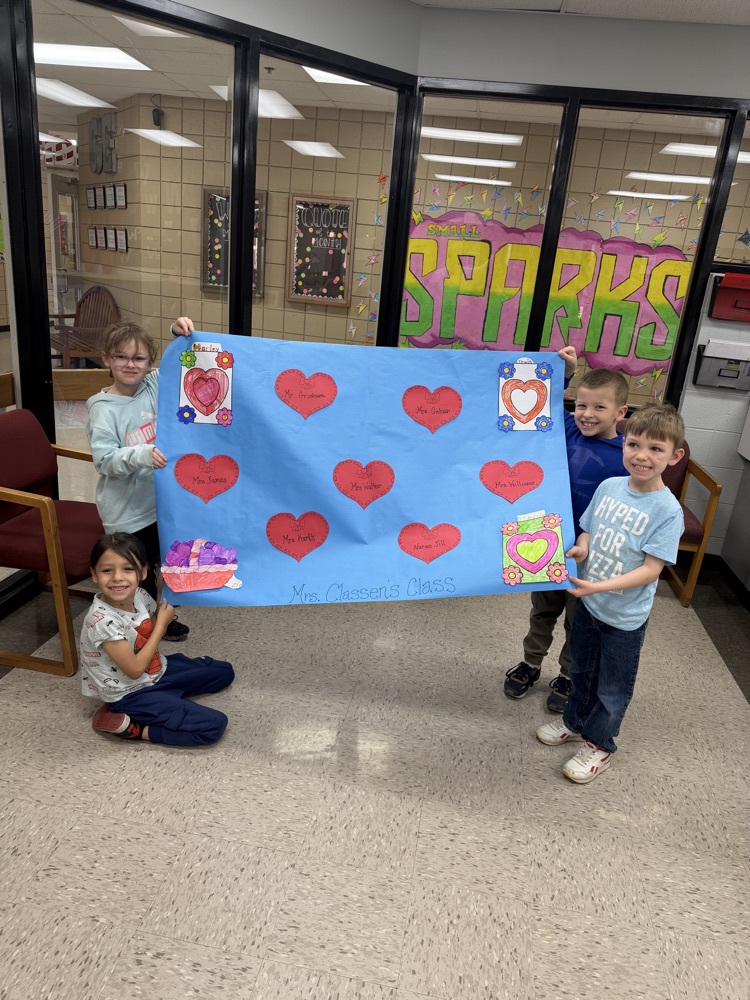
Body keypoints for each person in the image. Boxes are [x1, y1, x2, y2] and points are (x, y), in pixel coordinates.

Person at [536, 402, 685, 783]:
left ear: (674, 455)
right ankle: (574, 721)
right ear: (623, 444)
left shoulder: (667, 511)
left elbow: (651, 570)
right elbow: (587, 530)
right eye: (634, 444)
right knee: (581, 670)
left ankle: (600, 745)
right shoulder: (609, 487)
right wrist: (581, 549)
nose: (642, 456)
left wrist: (596, 586)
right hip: (589, 605)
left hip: (623, 617)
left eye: (656, 449)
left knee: (612, 686)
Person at [504, 348, 629, 712]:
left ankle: (568, 674)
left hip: (592, 555)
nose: (588, 415)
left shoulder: (626, 455)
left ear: (621, 413)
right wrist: (566, 374)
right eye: (582, 405)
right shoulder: (567, 428)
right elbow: (536, 407)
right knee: (542, 611)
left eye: (599, 408)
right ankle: (530, 664)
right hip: (546, 544)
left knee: (579, 622)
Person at [87, 316, 195, 639]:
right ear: (107, 358)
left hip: (159, 502)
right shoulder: (102, 409)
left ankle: (163, 616)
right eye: (121, 356)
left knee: (163, 564)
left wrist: (176, 334)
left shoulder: (152, 385)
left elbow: (179, 367)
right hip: (126, 513)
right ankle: (140, 624)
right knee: (137, 571)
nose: (130, 364)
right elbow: (105, 460)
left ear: (150, 362)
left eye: (139, 358)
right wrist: (143, 455)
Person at [82, 532, 234, 746]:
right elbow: (134, 670)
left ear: (143, 572)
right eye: (107, 570)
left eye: (128, 569)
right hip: (130, 692)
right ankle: (137, 728)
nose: (117, 577)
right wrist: (162, 625)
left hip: (155, 671)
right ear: (95, 575)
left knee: (224, 672)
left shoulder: (139, 595)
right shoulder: (101, 621)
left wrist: (162, 592)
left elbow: (147, 629)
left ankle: (166, 700)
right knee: (214, 726)